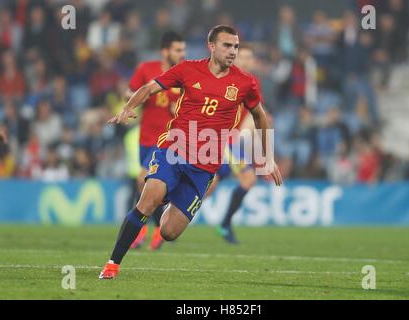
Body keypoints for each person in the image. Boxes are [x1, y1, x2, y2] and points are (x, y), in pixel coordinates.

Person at [99, 25, 282, 279]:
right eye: (227, 45)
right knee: (147, 200)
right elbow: (149, 88)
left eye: (236, 46)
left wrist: (267, 158)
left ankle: (166, 200)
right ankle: (112, 264)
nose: (233, 51)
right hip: (173, 150)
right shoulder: (187, 69)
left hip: (205, 166)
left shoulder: (245, 82)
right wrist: (128, 107)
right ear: (212, 46)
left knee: (169, 233)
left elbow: (260, 116)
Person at [126, 31, 186, 251]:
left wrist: (181, 108)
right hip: (146, 137)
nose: (182, 54)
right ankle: (157, 229)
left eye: (183, 50)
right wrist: (130, 102)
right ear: (165, 51)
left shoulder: (185, 73)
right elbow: (130, 90)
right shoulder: (146, 69)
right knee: (149, 186)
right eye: (178, 50)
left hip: (168, 139)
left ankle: (138, 232)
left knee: (143, 180)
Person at [204, 44, 262, 244]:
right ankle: (162, 214)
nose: (246, 61)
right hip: (218, 138)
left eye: (249, 57)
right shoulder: (225, 78)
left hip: (232, 141)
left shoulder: (252, 83)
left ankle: (225, 223)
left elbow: (252, 114)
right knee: (242, 181)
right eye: (242, 57)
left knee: (211, 187)